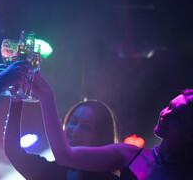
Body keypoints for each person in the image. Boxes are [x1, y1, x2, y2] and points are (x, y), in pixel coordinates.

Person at [34, 71, 193, 180]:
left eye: (177, 116)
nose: (165, 114)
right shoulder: (129, 154)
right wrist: (46, 95)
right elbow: (64, 156)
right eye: (170, 106)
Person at [4, 94, 119, 179]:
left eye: (86, 128)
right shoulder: (50, 172)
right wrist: (17, 97)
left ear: (101, 138)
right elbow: (13, 151)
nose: (75, 130)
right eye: (73, 122)